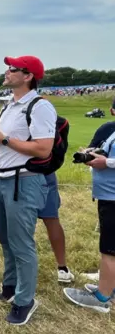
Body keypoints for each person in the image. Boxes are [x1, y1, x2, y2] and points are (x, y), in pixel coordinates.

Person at [0, 55, 56, 325]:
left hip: (24, 181)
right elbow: (3, 146)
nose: (7, 71)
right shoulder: (10, 107)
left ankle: (25, 300)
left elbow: (43, 147)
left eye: (13, 68)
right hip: (3, 178)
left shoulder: (39, 106)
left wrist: (2, 138)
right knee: (5, 237)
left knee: (22, 242)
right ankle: (11, 286)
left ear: (28, 76)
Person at [63, 125, 115, 312]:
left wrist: (106, 162)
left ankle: (102, 297)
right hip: (107, 195)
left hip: (113, 197)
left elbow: (109, 161)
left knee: (109, 250)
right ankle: (110, 286)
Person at [37, 173, 74, 283]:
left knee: (24, 224)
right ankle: (62, 268)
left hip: (21, 175)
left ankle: (21, 270)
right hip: (45, 172)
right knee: (52, 220)